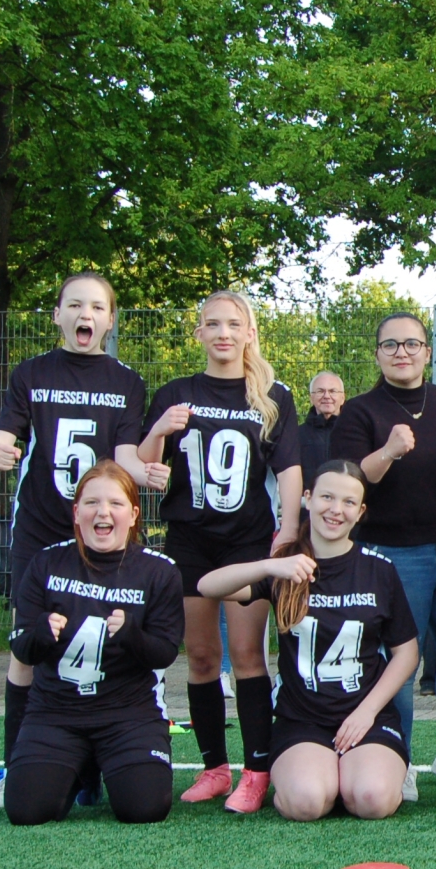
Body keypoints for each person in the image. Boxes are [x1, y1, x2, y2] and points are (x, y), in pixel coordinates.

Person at [0, 272, 151, 807]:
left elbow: (126, 458)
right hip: (41, 527)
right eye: (74, 305)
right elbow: (5, 436)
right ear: (57, 314)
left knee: (109, 638)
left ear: (110, 319)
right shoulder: (30, 373)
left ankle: (92, 764)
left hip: (103, 530)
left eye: (97, 307)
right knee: (28, 648)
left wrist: (147, 472)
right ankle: (14, 767)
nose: (85, 314)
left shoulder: (127, 381)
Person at [138, 291, 301, 814]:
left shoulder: (272, 395)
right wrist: (158, 430)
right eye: (212, 324)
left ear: (250, 332)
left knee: (249, 655)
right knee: (203, 656)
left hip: (247, 539)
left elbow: (290, 470)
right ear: (200, 333)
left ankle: (256, 770)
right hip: (189, 538)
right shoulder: (176, 392)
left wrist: (288, 528)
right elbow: (144, 464)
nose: (223, 333)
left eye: (233, 324)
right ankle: (214, 767)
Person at [331, 312, 436, 796]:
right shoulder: (359, 411)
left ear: (427, 351)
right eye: (390, 345)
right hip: (391, 553)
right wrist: (388, 451)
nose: (401, 352)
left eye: (411, 344)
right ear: (377, 354)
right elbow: (349, 480)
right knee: (399, 662)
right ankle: (395, 758)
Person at [197, 460, 418, 821]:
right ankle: (321, 776)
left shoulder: (379, 569)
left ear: (361, 511)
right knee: (306, 802)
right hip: (302, 719)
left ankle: (355, 774)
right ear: (308, 498)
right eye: (327, 497)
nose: (336, 509)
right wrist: (269, 566)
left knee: (372, 799)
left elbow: (406, 653)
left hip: (365, 715)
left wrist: (366, 712)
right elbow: (207, 586)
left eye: (348, 502)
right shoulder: (286, 567)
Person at [4, 461, 184, 826]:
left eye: (115, 503)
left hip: (128, 714)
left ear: (133, 515)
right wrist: (40, 634)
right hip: (56, 712)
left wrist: (132, 635)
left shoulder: (159, 571)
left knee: (144, 809)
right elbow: (22, 647)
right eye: (91, 503)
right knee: (27, 811)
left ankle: (103, 763)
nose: (103, 512)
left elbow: (165, 651)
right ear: (76, 512)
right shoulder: (46, 563)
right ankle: (80, 767)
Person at [298, 371, 346, 483]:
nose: (327, 396)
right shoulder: (297, 435)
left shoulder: (355, 433)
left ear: (342, 398)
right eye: (320, 391)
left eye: (332, 391)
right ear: (311, 398)